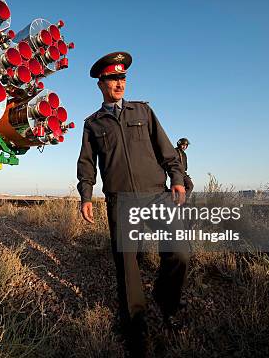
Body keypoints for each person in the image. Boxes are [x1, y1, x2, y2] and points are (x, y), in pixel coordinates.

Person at [77, 51, 189, 357]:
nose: (119, 82)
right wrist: (86, 195)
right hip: (121, 201)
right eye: (113, 78)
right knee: (128, 266)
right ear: (101, 83)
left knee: (179, 252)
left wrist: (176, 178)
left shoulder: (143, 112)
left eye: (122, 77)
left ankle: (168, 306)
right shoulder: (93, 124)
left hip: (156, 194)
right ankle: (135, 327)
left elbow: (167, 151)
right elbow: (86, 164)